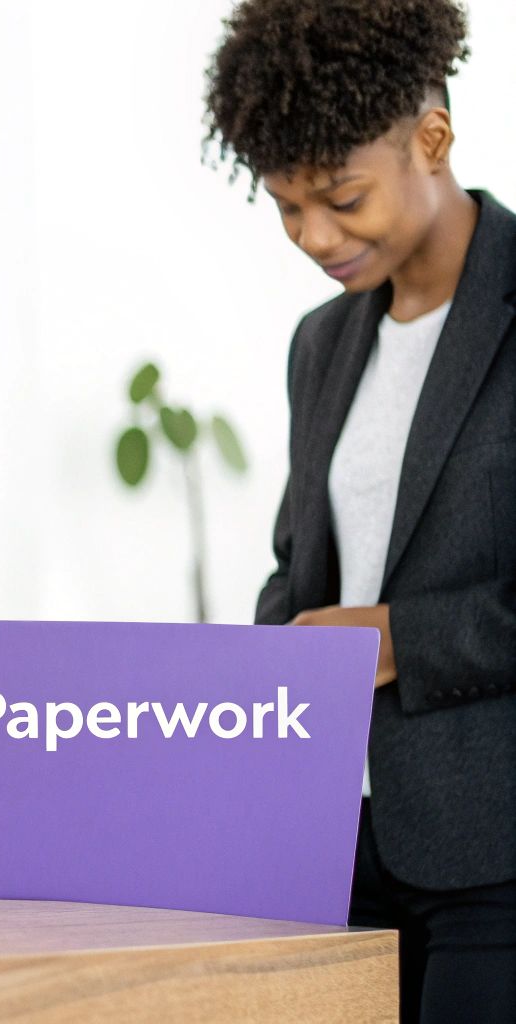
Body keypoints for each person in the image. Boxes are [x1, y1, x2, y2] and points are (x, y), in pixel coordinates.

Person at [205, 0, 516, 1017]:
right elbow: (299, 571)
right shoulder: (320, 343)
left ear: (430, 138)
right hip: (333, 845)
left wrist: (396, 640)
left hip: (493, 851)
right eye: (286, 206)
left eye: (339, 197)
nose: (311, 236)